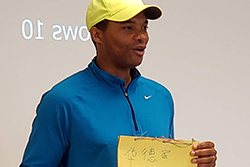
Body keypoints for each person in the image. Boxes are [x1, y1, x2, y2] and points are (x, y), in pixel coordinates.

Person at [20, 0, 217, 166]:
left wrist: (195, 161)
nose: (142, 37)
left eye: (144, 27)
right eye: (128, 27)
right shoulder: (62, 101)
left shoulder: (161, 96)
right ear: (97, 34)